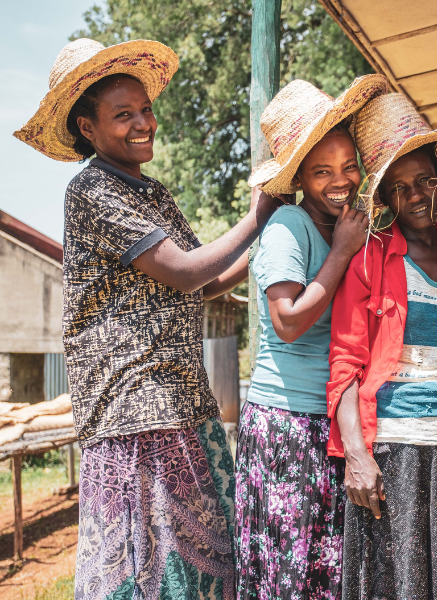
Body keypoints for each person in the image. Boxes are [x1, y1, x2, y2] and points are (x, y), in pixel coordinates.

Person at [14, 39, 283, 599]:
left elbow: (206, 279)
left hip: (181, 400)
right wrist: (259, 215)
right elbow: (184, 272)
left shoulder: (151, 192)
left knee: (204, 568)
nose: (143, 123)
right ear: (87, 128)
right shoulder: (91, 188)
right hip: (133, 412)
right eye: (123, 115)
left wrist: (275, 248)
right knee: (150, 573)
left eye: (145, 109)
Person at [326, 93, 437, 600]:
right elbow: (345, 364)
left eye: (424, 181)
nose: (416, 195)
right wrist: (357, 455)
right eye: (399, 188)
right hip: (390, 453)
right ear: (385, 198)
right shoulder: (369, 260)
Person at [233, 77, 385, 598]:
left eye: (348, 166)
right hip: (287, 423)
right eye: (322, 171)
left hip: (334, 421)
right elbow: (288, 320)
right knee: (289, 571)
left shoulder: (351, 227)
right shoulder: (289, 226)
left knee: (326, 572)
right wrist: (341, 251)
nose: (341, 181)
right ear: (299, 177)